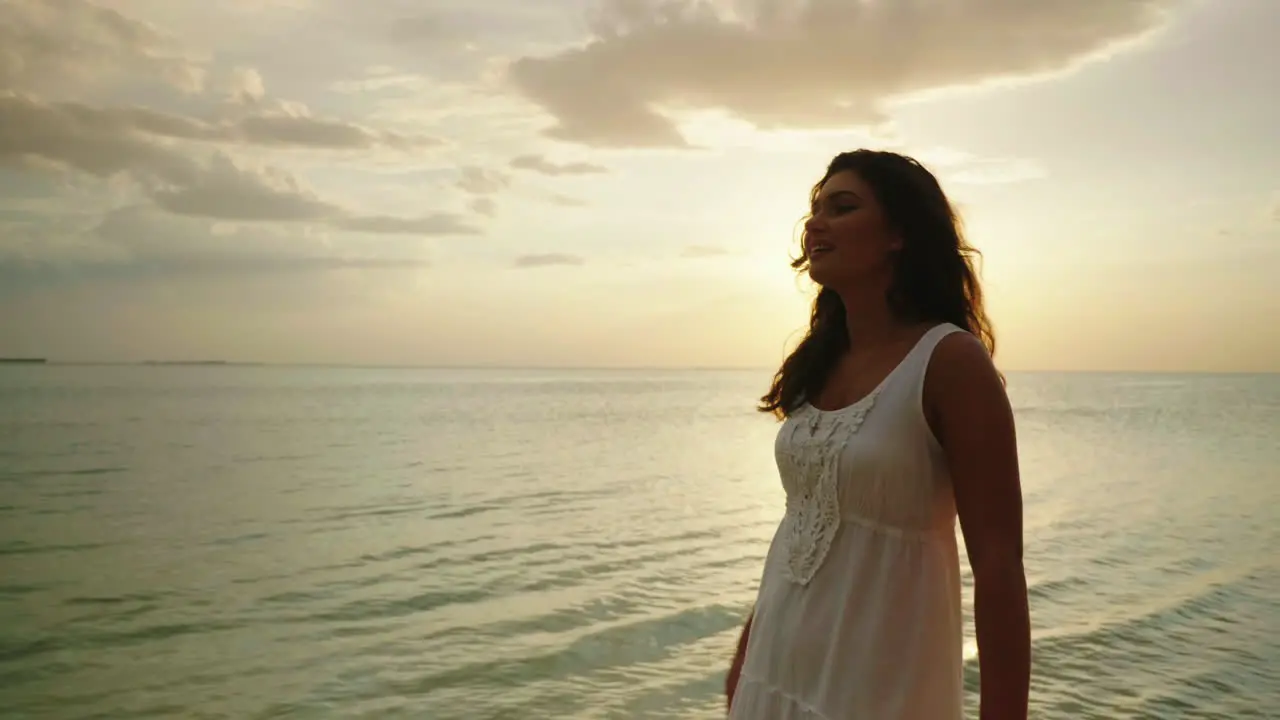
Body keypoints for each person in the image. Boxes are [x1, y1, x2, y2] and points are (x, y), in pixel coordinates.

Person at [724, 150, 1031, 719]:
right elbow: (802, 522)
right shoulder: (820, 361)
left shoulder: (947, 361)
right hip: (774, 673)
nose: (816, 223)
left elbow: (997, 563)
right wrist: (745, 660)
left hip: (877, 685)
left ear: (898, 234)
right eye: (814, 210)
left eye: (842, 208)